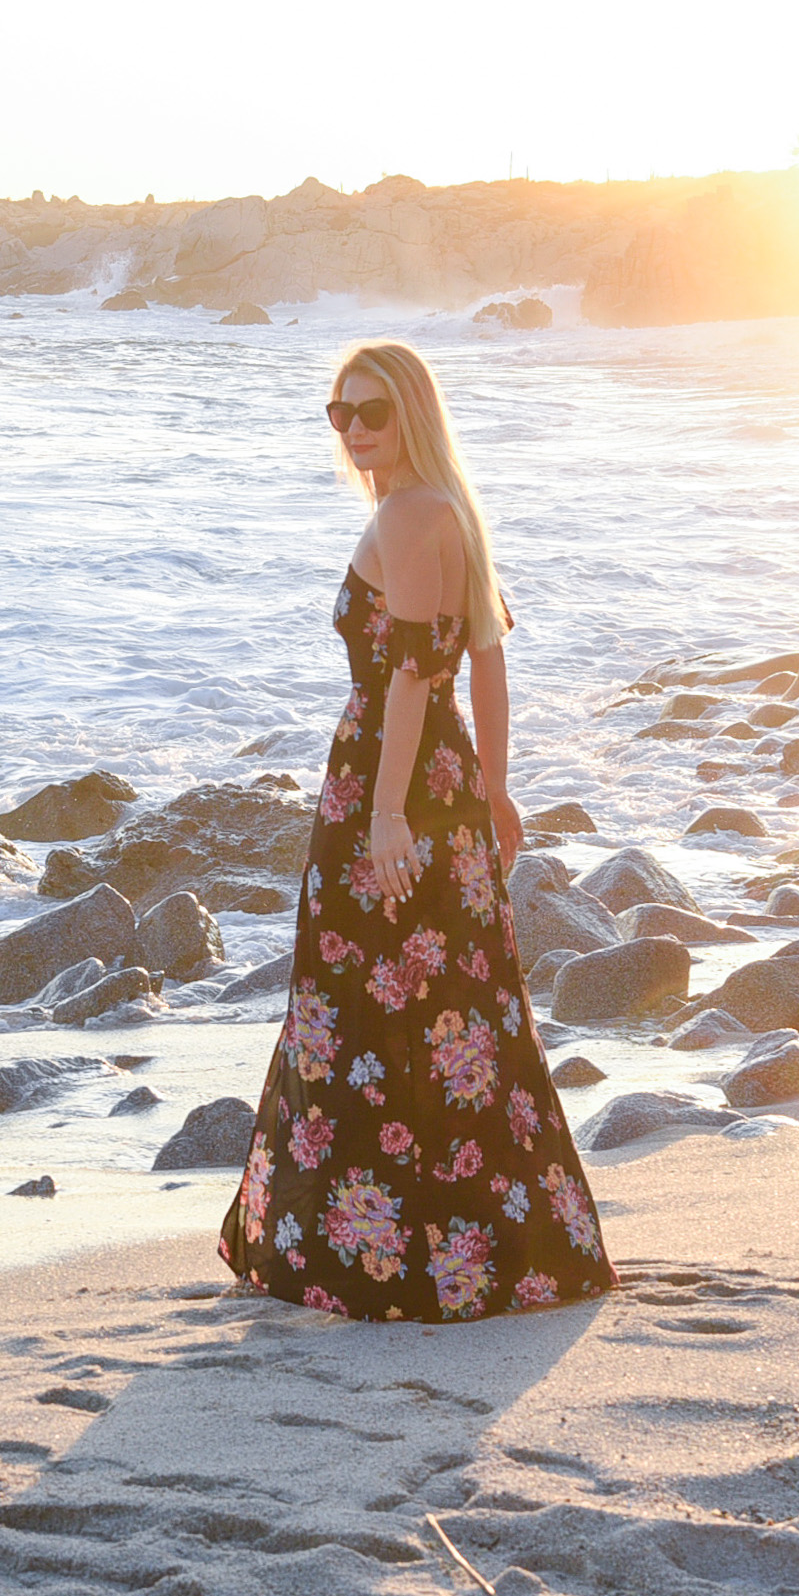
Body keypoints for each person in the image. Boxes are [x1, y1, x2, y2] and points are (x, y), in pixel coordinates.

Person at [219, 341, 617, 1321]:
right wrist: (492, 793)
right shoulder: (454, 510)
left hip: (382, 788)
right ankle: (506, 1248)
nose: (353, 429)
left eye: (371, 411)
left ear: (411, 415)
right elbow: (483, 659)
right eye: (337, 412)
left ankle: (372, 1260)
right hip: (445, 790)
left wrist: (386, 814)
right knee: (463, 1021)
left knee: (359, 1014)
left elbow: (405, 675)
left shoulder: (404, 515)